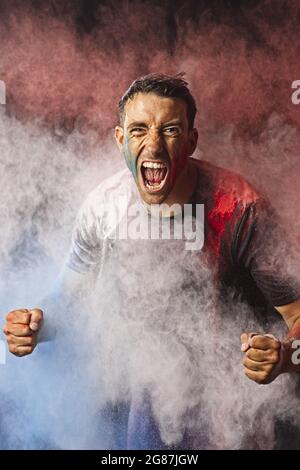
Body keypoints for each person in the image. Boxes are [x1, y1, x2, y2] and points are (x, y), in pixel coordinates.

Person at [3, 73, 300, 449]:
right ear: (121, 139)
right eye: (140, 130)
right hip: (134, 414)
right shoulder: (103, 207)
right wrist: (34, 325)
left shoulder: (240, 209)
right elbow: (68, 303)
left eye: (171, 130)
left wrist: (286, 357)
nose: (154, 146)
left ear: (192, 142)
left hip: (228, 418)